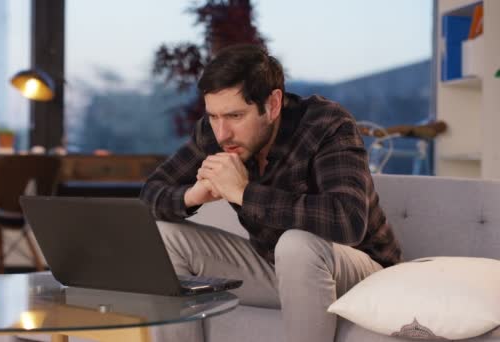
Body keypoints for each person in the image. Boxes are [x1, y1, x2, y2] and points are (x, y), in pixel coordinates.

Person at [140, 44, 403, 342]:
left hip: (361, 272)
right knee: (164, 236)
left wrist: (244, 193)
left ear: (273, 104)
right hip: (275, 267)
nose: (222, 133)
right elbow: (149, 195)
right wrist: (192, 196)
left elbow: (348, 221)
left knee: (296, 244)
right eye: (213, 117)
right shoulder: (215, 134)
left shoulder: (326, 123)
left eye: (236, 116)